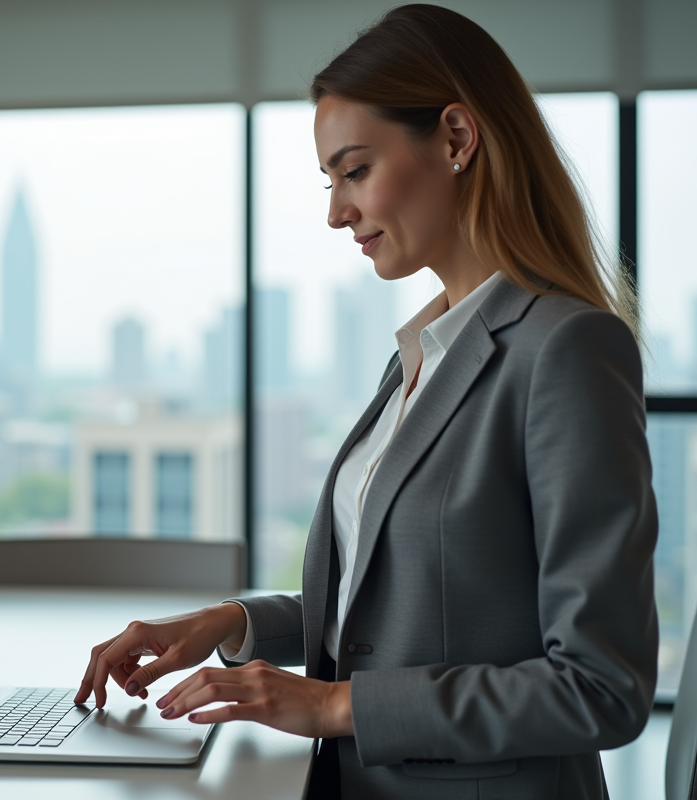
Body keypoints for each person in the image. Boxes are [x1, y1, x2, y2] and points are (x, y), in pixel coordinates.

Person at [74, 5, 658, 797]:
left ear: (456, 139)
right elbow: (389, 616)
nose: (336, 211)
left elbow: (602, 687)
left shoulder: (566, 351)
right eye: (331, 180)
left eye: (354, 171)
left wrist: (333, 705)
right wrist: (227, 625)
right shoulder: (424, 351)